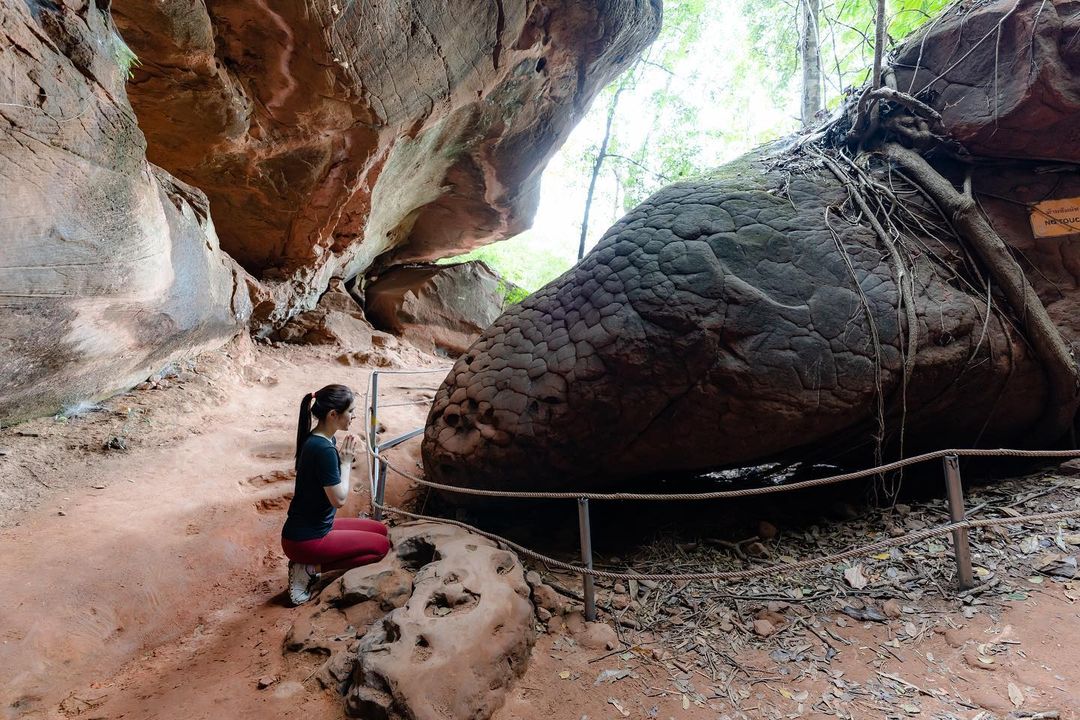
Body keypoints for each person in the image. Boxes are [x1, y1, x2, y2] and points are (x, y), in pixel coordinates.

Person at [281, 383, 390, 605]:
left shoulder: (320, 439)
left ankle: (307, 564)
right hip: (307, 540)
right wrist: (346, 463)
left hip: (310, 529)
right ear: (333, 414)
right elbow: (339, 499)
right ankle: (310, 569)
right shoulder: (323, 450)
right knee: (380, 548)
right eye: (350, 411)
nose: (353, 416)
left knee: (380, 530)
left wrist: (340, 461)